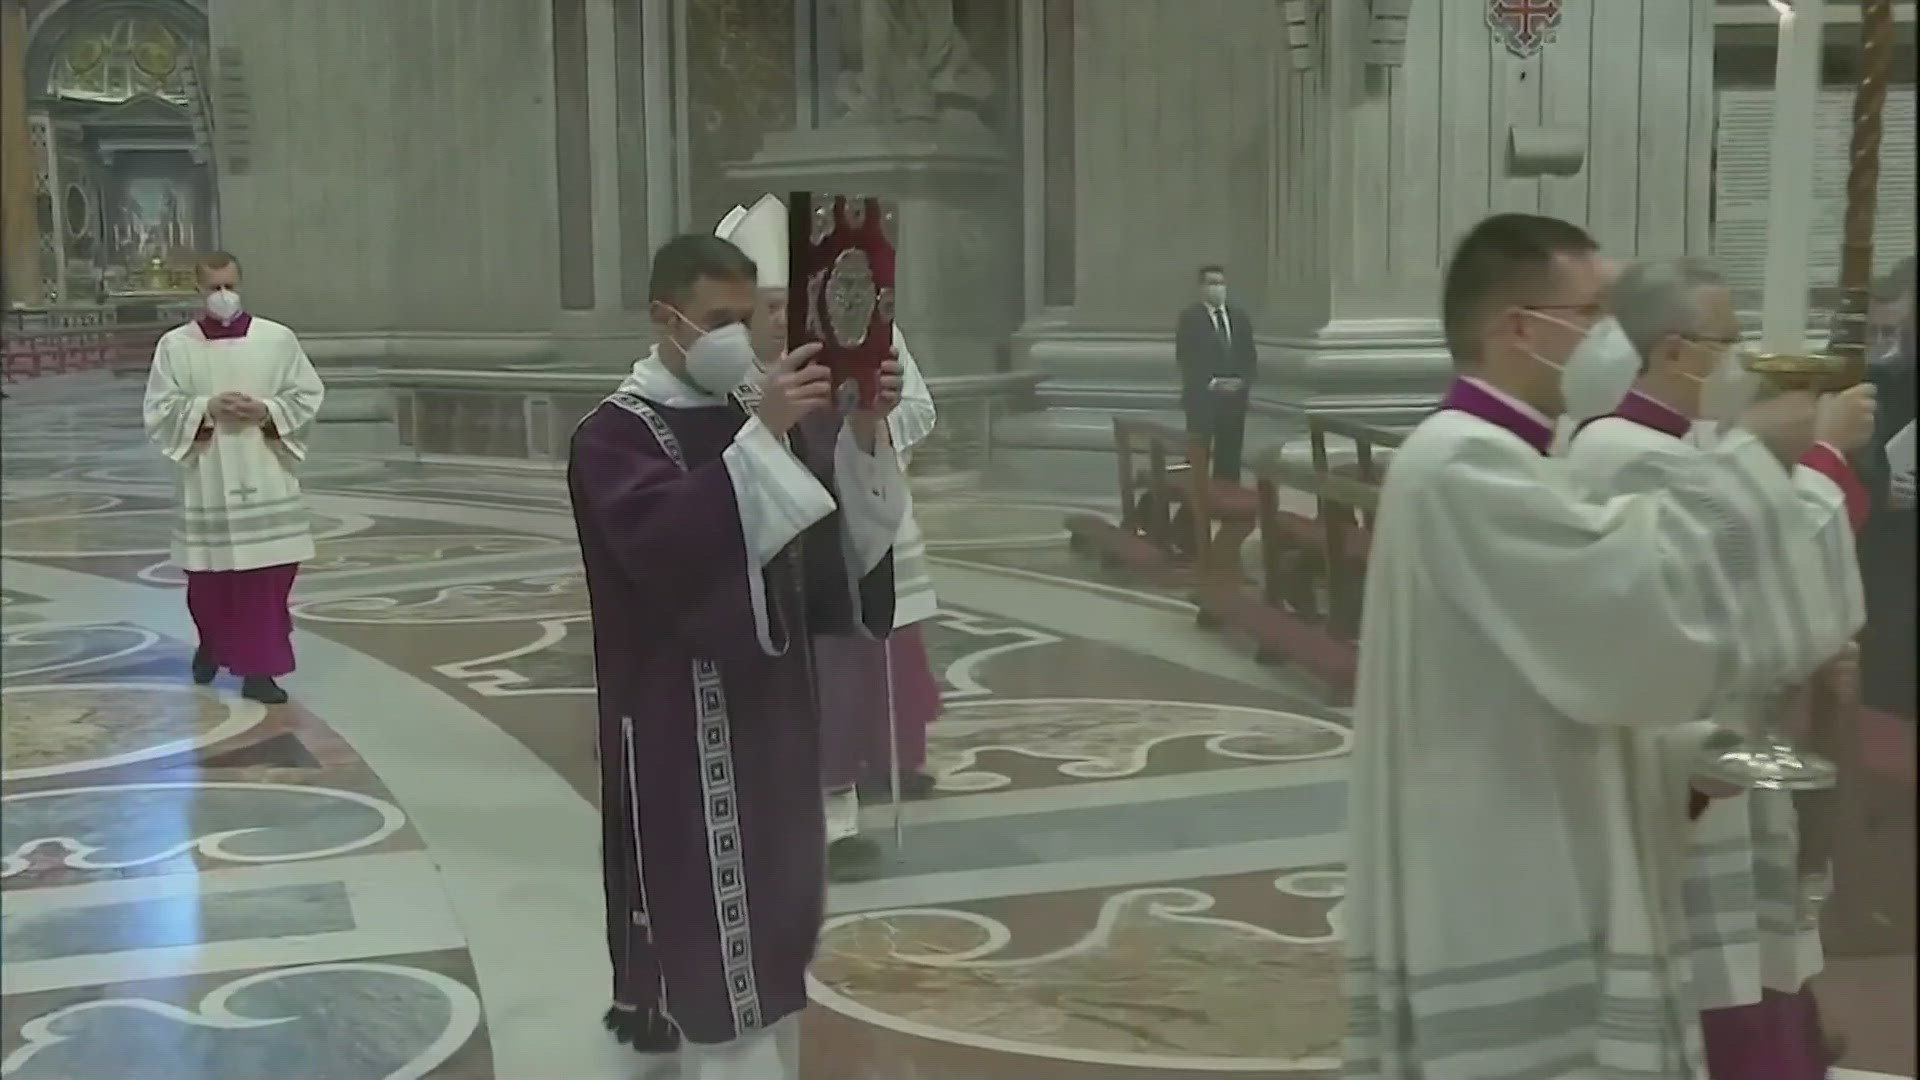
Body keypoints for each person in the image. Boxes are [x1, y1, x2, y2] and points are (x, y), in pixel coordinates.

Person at [1342, 214, 1836, 1080]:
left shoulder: (1504, 455)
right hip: (1508, 843)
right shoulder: (1463, 464)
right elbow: (1643, 608)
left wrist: (1684, 755)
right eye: (1595, 310)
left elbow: (1577, 659)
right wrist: (1758, 463)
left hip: (1525, 799)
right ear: (1520, 328)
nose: (1614, 335)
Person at [568, 231, 906, 1078]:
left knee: (777, 954)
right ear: (664, 318)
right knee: (721, 972)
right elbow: (674, 549)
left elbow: (839, 549)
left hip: (776, 729)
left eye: (750, 318)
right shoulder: (613, 437)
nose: (741, 337)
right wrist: (764, 438)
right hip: (688, 736)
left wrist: (864, 428)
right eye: (719, 320)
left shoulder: (758, 416)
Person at [1563, 257, 1872, 1079]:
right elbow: (1751, 573)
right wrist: (1827, 460)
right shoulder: (1617, 453)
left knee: (1754, 961)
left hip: (1730, 745)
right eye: (1726, 340)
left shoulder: (1691, 446)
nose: (1737, 358)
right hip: (1679, 762)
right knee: (1707, 968)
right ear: (1673, 351)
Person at [713, 194, 944, 882]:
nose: (782, 319)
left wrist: (877, 412)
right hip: (753, 551)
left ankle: (837, 818)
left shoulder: (857, 335)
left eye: (792, 301)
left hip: (835, 540)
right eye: (769, 305)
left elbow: (913, 417)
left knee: (842, 675)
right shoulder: (719, 360)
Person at [142, 251, 324, 705]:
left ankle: (260, 671)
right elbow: (159, 409)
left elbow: (306, 393)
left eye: (230, 285)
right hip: (210, 472)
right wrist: (205, 408)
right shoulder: (176, 346)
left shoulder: (277, 339)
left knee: (267, 577)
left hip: (264, 468)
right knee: (210, 579)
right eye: (213, 288)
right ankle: (214, 643)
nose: (224, 296)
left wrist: (267, 410)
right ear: (197, 291)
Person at [1175, 263, 1256, 481]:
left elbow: (1249, 356)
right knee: (1198, 458)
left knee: (1229, 461)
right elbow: (1186, 357)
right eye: (1212, 283)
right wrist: (1211, 383)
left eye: (1220, 283)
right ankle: (1195, 508)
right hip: (1203, 401)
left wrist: (1242, 382)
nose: (1217, 288)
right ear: (1201, 288)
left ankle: (1227, 504)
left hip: (1234, 402)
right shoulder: (1190, 319)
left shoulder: (1239, 317)